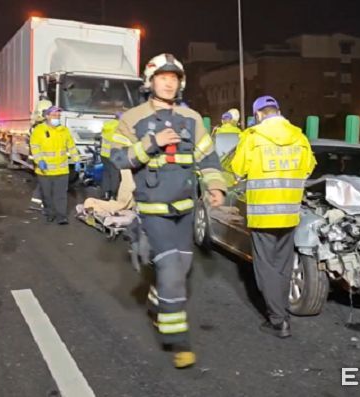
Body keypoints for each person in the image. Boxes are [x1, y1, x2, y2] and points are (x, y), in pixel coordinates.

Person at [110, 53, 226, 368]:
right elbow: (118, 157)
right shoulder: (133, 118)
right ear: (150, 81)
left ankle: (156, 300)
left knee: (182, 268)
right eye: (162, 76)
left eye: (174, 77)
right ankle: (178, 342)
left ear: (180, 83)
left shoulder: (191, 118)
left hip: (185, 212)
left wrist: (216, 186)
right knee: (172, 272)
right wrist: (151, 142)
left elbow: (208, 158)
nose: (169, 81)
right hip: (153, 211)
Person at [230, 95, 316, 338]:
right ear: (278, 111)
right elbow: (309, 168)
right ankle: (282, 309)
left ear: (258, 115)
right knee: (283, 265)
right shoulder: (299, 137)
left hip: (263, 215)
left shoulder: (252, 137)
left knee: (265, 267)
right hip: (289, 214)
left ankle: (279, 320)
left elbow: (237, 169)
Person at [30, 106, 81, 225]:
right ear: (47, 116)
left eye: (58, 116)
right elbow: (35, 147)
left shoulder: (64, 130)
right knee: (47, 195)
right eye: (54, 115)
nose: (57, 118)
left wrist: (77, 160)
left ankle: (61, 216)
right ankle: (49, 213)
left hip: (62, 170)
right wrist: (39, 161)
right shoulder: (39, 130)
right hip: (45, 171)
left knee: (61, 195)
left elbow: (71, 146)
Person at [29, 98, 53, 210]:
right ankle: (39, 203)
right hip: (41, 158)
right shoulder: (39, 127)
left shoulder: (38, 125)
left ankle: (38, 202)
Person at [99, 112, 128, 200]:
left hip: (104, 154)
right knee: (115, 175)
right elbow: (124, 141)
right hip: (114, 155)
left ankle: (105, 193)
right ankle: (113, 195)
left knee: (106, 173)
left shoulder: (107, 125)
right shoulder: (119, 128)